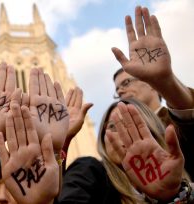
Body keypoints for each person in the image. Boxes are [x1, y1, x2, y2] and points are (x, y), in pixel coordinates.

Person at [112, 6, 194, 179]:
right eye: (117, 89)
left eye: (126, 82)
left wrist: (165, 82)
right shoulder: (124, 141)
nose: (120, 90)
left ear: (150, 84)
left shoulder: (175, 121)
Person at [58, 98, 190, 204]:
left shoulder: (181, 177)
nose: (123, 134)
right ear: (103, 139)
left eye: (131, 125)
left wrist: (171, 195)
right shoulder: (89, 170)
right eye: (113, 126)